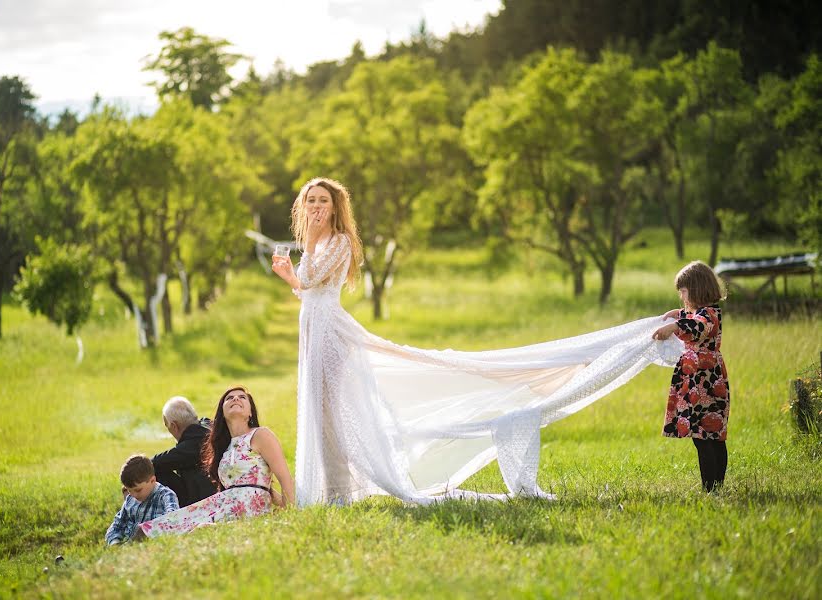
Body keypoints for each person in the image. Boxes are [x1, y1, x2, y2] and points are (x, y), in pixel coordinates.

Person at [270, 177, 686, 507]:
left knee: (335, 411)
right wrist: (289, 273)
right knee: (322, 412)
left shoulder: (338, 241)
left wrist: (296, 267)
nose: (316, 207)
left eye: (323, 201)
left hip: (332, 336)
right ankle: (332, 491)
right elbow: (305, 289)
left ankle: (343, 491)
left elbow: (311, 281)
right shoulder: (317, 243)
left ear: (336, 206)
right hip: (314, 329)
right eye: (310, 201)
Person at [136, 386, 295, 538]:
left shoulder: (260, 435)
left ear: (250, 413)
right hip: (223, 503)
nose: (235, 399)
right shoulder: (224, 447)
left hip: (249, 508)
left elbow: (284, 477)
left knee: (199, 530)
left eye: (242, 397)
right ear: (222, 413)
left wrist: (289, 513)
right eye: (229, 398)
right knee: (150, 530)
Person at [652, 261, 730, 492]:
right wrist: (677, 315)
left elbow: (699, 326)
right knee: (705, 436)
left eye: (683, 291)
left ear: (696, 289)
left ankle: (712, 488)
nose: (682, 296)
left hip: (706, 382)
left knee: (707, 436)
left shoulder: (710, 315)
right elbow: (693, 317)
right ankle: (715, 486)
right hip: (695, 380)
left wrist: (676, 326)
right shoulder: (701, 312)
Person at [152, 396, 216, 507]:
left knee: (154, 469)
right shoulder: (208, 426)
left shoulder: (191, 446)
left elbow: (152, 463)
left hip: (204, 503)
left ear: (174, 426)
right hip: (219, 492)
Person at [104, 454, 179, 545]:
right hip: (129, 546)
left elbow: (173, 517)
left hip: (154, 545)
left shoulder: (166, 496)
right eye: (129, 490)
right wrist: (114, 542)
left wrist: (146, 530)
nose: (133, 495)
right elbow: (117, 525)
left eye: (138, 490)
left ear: (152, 480)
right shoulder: (130, 499)